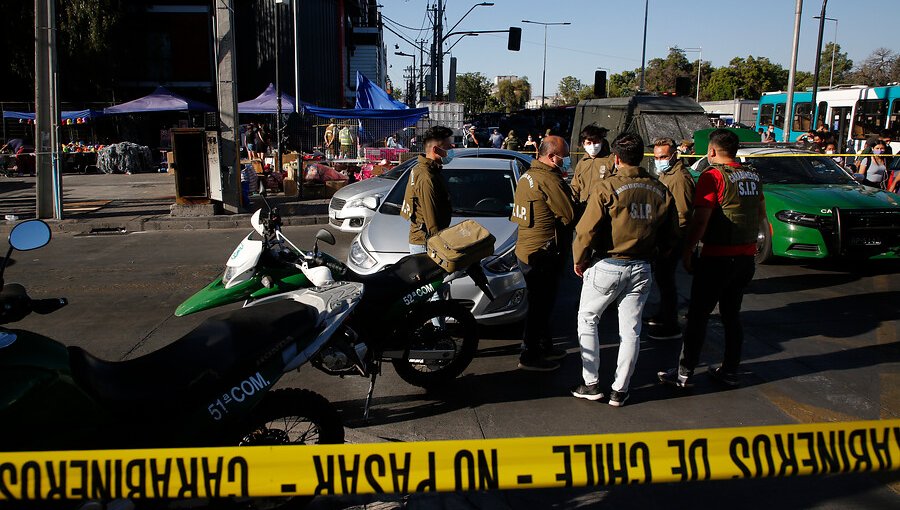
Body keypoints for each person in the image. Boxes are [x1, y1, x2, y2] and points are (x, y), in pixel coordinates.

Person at [570, 133, 678, 406]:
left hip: (607, 264)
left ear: (616, 158)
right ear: (642, 157)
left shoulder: (607, 188)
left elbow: (586, 230)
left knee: (588, 319)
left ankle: (591, 382)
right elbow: (671, 234)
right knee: (631, 330)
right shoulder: (660, 189)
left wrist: (579, 259)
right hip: (641, 267)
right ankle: (620, 389)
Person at [658, 129, 765, 389]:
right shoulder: (753, 176)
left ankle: (684, 373)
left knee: (698, 316)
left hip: (718, 257)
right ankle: (730, 369)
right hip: (745, 258)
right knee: (732, 316)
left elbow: (701, 219)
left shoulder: (713, 176)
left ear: (712, 151)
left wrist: (688, 250)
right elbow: (760, 213)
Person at [510, 135, 575, 371]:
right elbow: (569, 215)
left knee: (543, 304)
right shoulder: (548, 180)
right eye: (564, 157)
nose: (566, 161)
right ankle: (530, 355)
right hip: (543, 253)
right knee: (539, 306)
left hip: (529, 250)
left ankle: (545, 345)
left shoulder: (529, 175)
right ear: (551, 156)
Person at [646, 137, 695, 340]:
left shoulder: (679, 178)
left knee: (667, 281)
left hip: (672, 238)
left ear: (675, 155)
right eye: (657, 157)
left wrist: (671, 242)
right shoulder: (666, 174)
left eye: (664, 156)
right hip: (664, 236)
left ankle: (670, 324)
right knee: (662, 279)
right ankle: (663, 314)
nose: (659, 160)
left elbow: (683, 215)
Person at [400, 126, 454, 254]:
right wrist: (442, 248)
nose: (452, 151)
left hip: (423, 241)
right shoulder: (426, 177)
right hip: (426, 243)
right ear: (436, 150)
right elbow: (432, 220)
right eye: (448, 148)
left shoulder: (422, 169)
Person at [570, 125, 613, 204]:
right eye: (589, 143)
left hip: (603, 206)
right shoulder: (582, 163)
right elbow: (575, 186)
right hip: (584, 206)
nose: (593, 146)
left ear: (601, 142)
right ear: (583, 144)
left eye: (596, 142)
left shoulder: (611, 160)